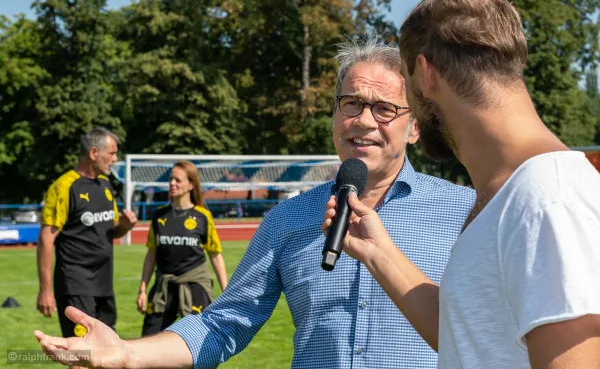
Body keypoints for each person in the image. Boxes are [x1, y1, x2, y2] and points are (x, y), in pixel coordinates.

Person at [33, 35, 475, 368]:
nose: (363, 120)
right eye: (351, 103)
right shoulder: (290, 218)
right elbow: (223, 323)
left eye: (384, 109)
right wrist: (128, 352)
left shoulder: (466, 212)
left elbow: (493, 335)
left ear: (415, 126)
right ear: (334, 115)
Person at [322, 0, 600, 369]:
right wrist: (377, 252)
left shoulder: (547, 200)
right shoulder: (511, 193)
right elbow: (471, 338)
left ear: (425, 74)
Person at [36, 127, 137, 369]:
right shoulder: (64, 187)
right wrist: (45, 290)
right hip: (75, 283)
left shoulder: (105, 186)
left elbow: (112, 231)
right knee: (81, 356)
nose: (115, 159)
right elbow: (46, 239)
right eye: (112, 153)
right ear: (94, 152)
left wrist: (124, 225)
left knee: (107, 354)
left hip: (104, 283)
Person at [137, 161, 229, 336]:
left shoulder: (203, 217)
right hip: (164, 286)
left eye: (178, 180)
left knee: (200, 342)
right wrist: (142, 289)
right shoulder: (159, 216)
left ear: (191, 185)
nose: (172, 183)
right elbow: (151, 255)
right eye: (171, 179)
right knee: (147, 340)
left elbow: (215, 255)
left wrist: (226, 292)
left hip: (194, 285)